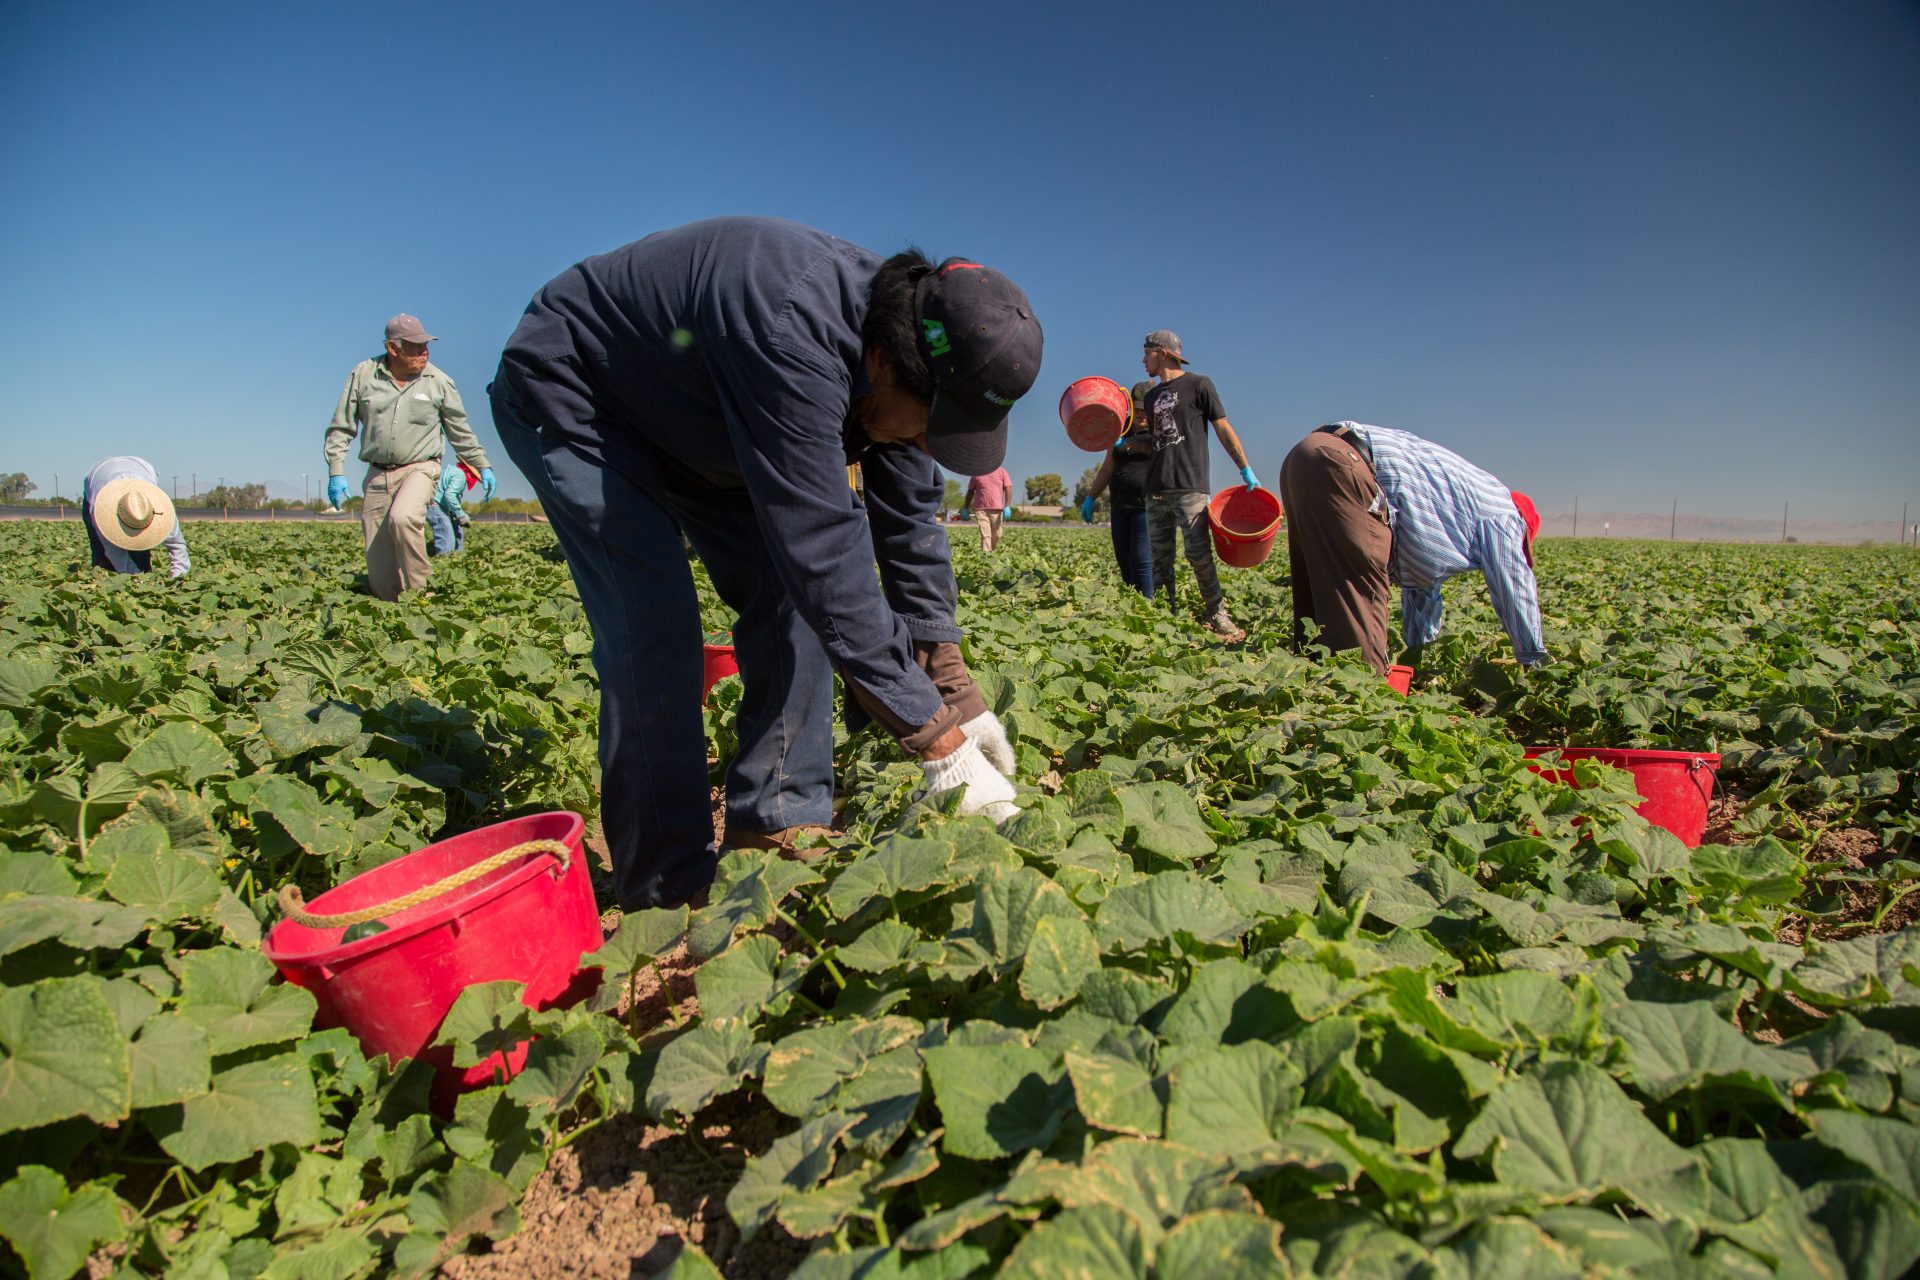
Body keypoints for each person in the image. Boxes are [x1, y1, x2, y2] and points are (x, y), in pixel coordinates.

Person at [487, 217, 1043, 910]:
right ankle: (668, 889)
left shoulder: (901, 358)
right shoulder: (791, 331)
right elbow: (826, 554)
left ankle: (774, 830)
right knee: (652, 623)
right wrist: (940, 745)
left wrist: (955, 689)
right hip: (582, 394)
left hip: (704, 416)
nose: (932, 445)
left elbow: (907, 529)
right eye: (933, 425)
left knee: (787, 596)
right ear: (887, 363)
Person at [1278, 421, 1546, 674]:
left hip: (1302, 459)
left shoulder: (1453, 508)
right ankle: (1362, 702)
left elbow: (1422, 589)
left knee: (1316, 593)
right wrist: (1533, 662)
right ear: (1522, 529)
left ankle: (1314, 684)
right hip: (1344, 464)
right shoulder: (1503, 513)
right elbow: (1513, 586)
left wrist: (1420, 659)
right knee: (1360, 596)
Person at [324, 314, 497, 600]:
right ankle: (393, 613)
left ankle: (422, 596)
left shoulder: (439, 382)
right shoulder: (364, 375)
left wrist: (482, 464)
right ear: (393, 348)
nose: (424, 352)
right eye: (416, 346)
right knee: (380, 572)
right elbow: (342, 427)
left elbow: (459, 431)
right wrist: (336, 470)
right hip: (378, 474)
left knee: (403, 517)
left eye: (426, 345)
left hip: (420, 467)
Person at [1139, 331, 1259, 641]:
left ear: (1162, 353)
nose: (1143, 360)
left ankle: (1217, 613)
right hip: (1155, 487)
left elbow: (1222, 427)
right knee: (1160, 557)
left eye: (1146, 353)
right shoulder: (1151, 397)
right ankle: (1165, 615)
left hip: (1190, 485)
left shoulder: (1199, 385)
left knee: (1198, 554)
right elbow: (1156, 443)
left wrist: (1244, 467)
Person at [1077, 379, 1156, 597]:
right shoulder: (1121, 428)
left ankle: (1148, 605)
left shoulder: (1161, 432)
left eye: (1146, 409)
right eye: (1137, 409)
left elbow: (1167, 455)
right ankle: (1131, 605)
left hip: (1146, 505)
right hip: (1120, 505)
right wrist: (1090, 497)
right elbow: (1107, 468)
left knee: (1141, 558)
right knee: (1124, 559)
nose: (1141, 415)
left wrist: (1134, 445)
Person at [81, 457, 188, 577]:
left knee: (141, 556)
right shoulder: (98, 508)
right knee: (101, 555)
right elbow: (114, 552)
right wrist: (137, 579)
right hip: (98, 478)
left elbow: (177, 546)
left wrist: (177, 579)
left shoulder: (159, 510)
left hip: (141, 468)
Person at [426, 460, 476, 556]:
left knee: (456, 532)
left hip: (439, 505)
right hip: (435, 505)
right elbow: (450, 495)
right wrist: (461, 515)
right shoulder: (460, 475)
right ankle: (445, 564)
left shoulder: (453, 470)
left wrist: (456, 514)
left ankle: (457, 559)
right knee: (447, 537)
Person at [966, 466, 1013, 553]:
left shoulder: (1002, 471)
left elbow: (1008, 488)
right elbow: (970, 491)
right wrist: (965, 507)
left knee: (998, 534)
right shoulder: (976, 473)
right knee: (986, 535)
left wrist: (1007, 506)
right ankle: (986, 557)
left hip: (997, 509)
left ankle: (991, 550)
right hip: (981, 510)